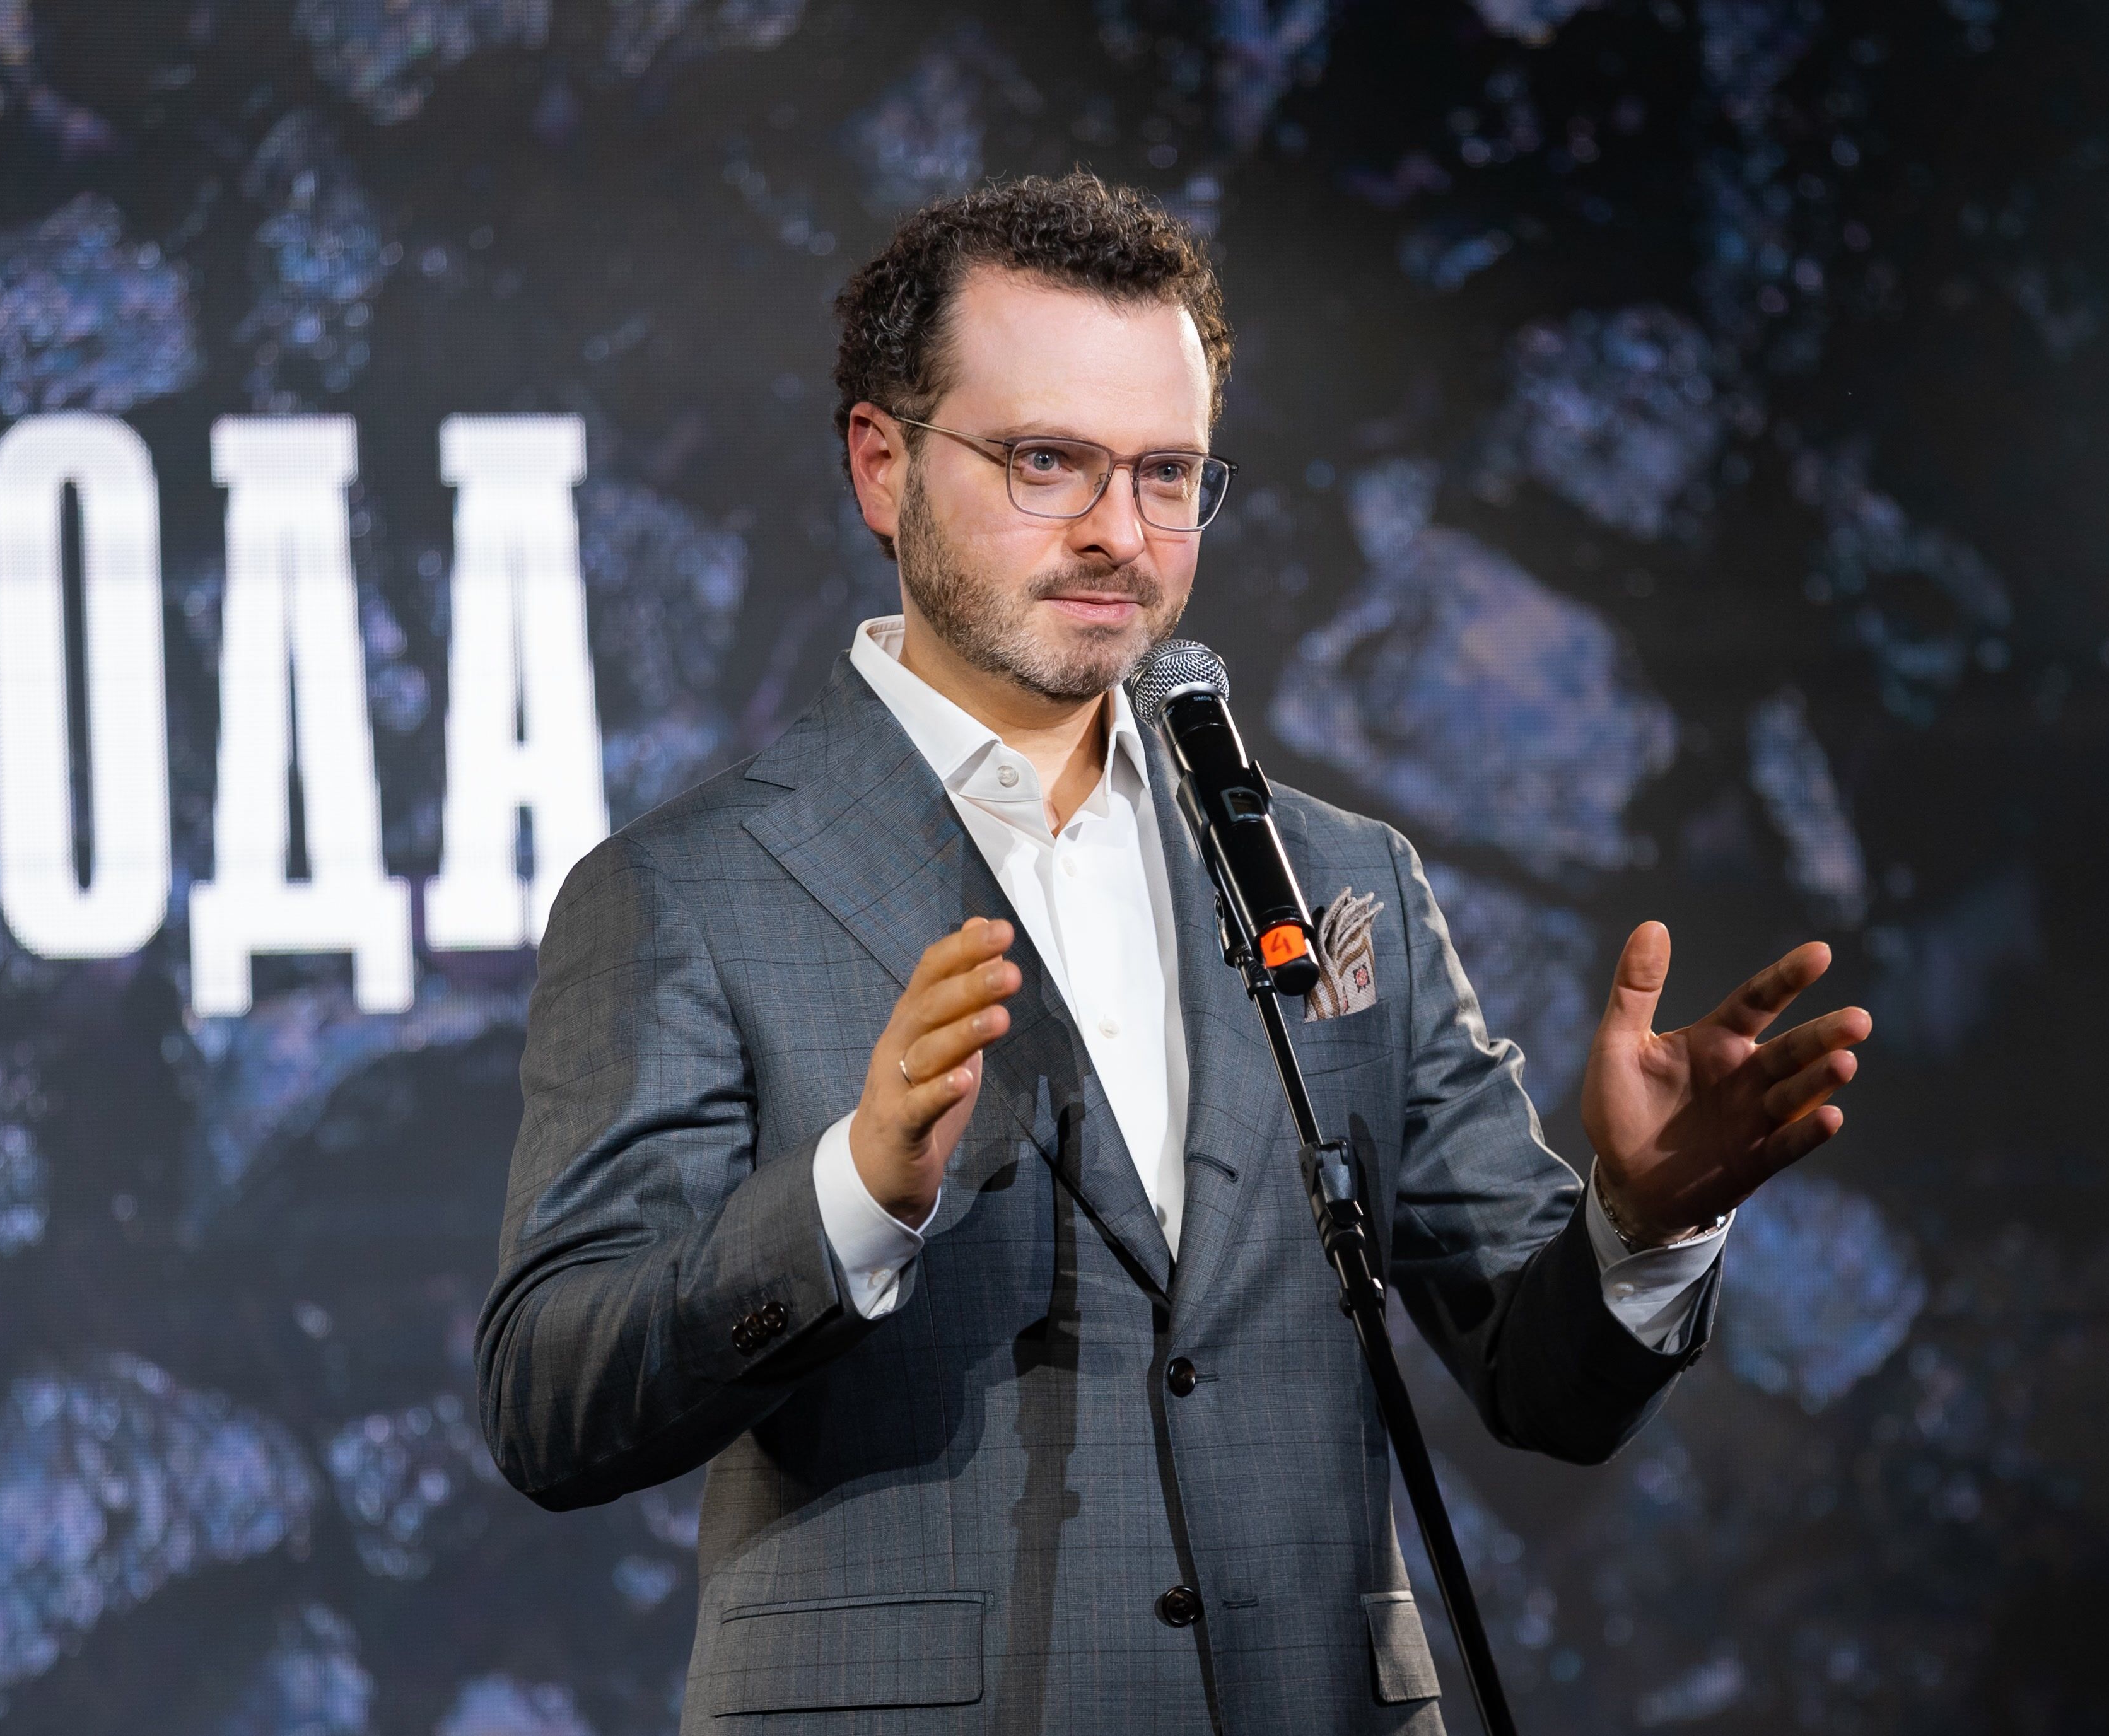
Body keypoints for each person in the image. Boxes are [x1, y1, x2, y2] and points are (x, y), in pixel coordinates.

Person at [476, 172, 1869, 1733]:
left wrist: (1642, 1224)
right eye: (1047, 462)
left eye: (1168, 475)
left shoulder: (1340, 878)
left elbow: (1543, 1390)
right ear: (882, 465)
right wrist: (851, 1198)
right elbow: (551, 1401)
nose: (1118, 535)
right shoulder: (688, 889)